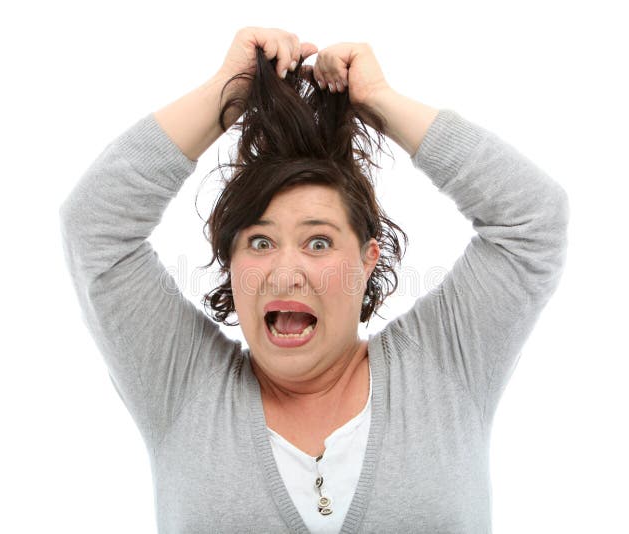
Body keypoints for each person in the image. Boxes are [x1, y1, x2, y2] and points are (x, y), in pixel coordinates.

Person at [59, 26, 569, 534]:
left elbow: (534, 219)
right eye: (260, 242)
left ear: (368, 259)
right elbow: (95, 222)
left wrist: (379, 103)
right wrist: (227, 95)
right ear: (230, 263)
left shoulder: (445, 364)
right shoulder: (183, 386)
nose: (286, 271)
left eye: (318, 242)